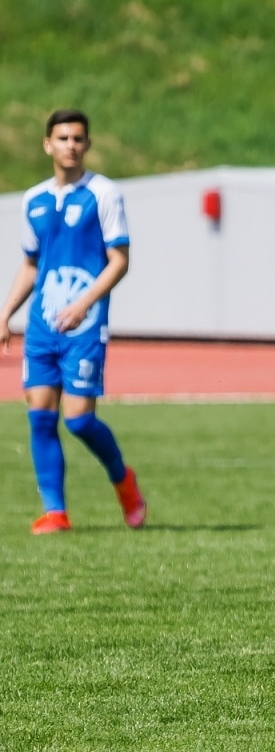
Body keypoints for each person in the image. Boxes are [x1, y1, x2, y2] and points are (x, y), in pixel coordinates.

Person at [0, 110, 145, 534]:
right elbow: (31, 264)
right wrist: (6, 311)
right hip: (43, 325)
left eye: (78, 138)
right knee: (40, 416)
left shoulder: (103, 194)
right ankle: (55, 512)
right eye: (62, 138)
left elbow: (120, 261)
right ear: (47, 145)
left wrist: (84, 303)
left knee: (79, 419)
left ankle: (124, 482)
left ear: (87, 145)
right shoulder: (35, 199)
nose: (70, 145)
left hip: (85, 325)